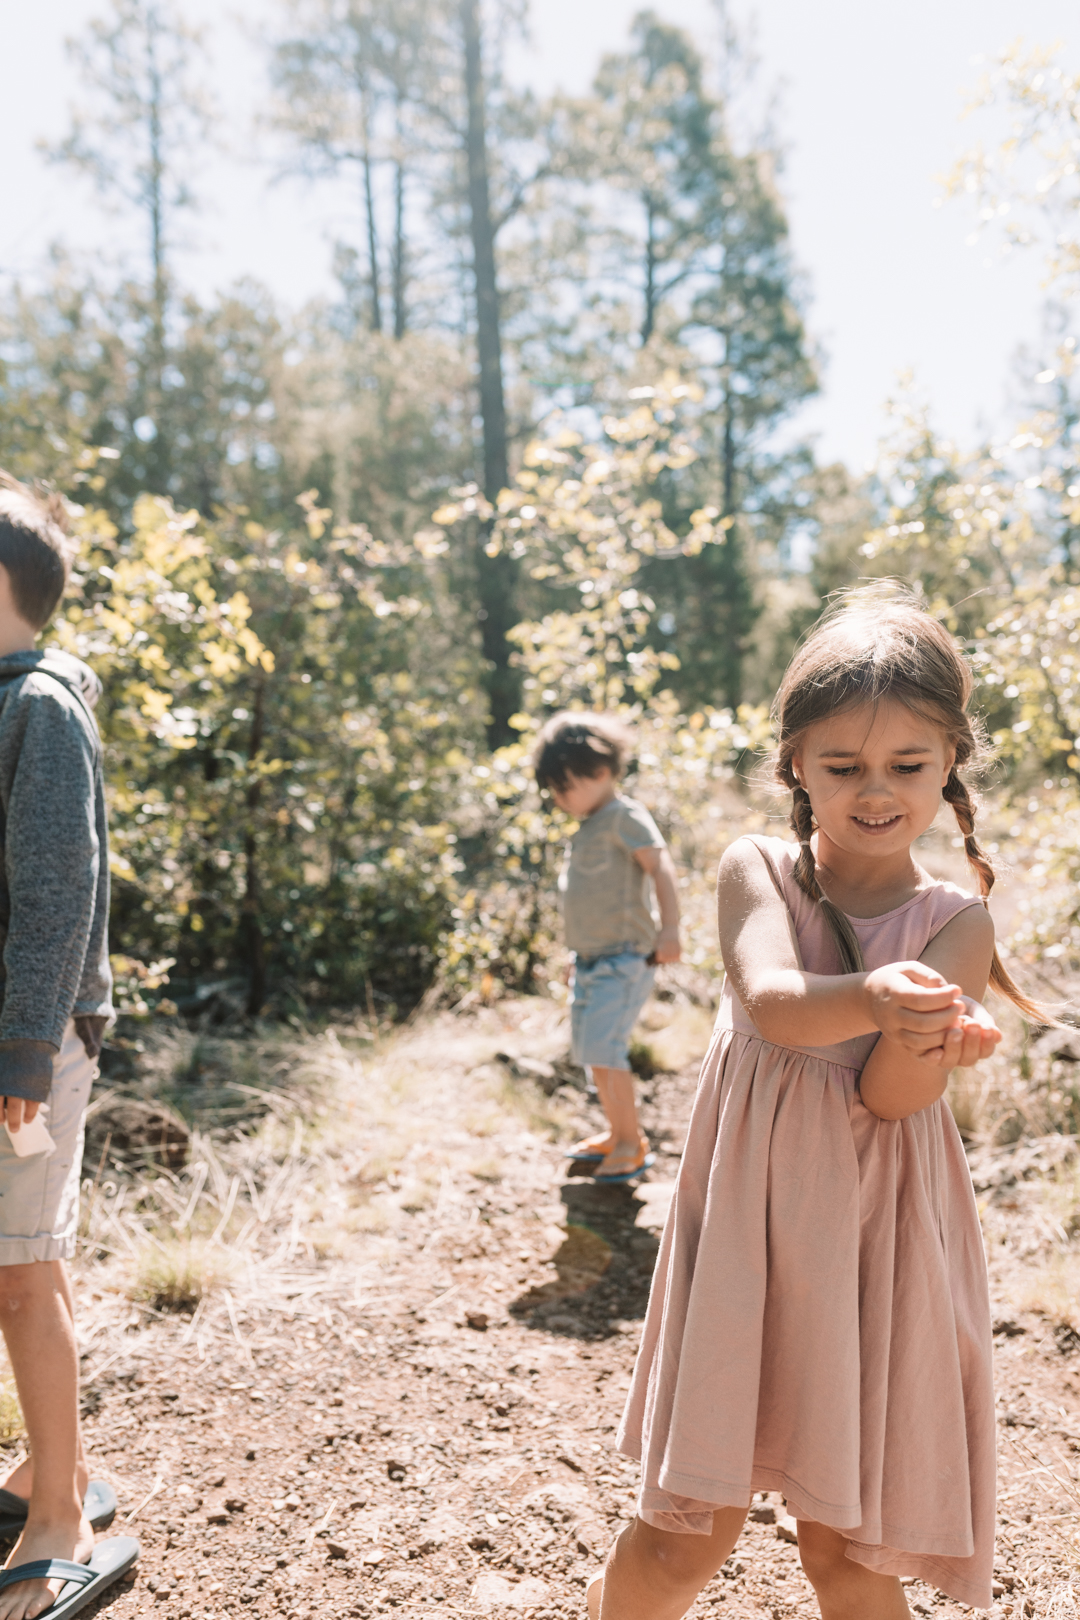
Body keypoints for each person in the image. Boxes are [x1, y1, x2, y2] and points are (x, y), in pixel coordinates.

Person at [589, 586, 1036, 1620]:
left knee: (849, 1557)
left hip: (870, 1247)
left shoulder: (956, 925)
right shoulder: (759, 872)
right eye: (844, 767)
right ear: (795, 763)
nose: (875, 792)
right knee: (677, 1542)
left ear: (950, 763)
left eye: (907, 766)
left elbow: (888, 1097)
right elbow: (774, 1005)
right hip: (754, 1236)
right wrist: (879, 995)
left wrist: (932, 1048)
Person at [0, 475, 137, 1620]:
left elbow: (55, 894)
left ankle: (63, 1515)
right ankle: (45, 1468)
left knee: (21, 1274)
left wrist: (23, 1057)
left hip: (25, 1048)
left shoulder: (39, 704)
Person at [534, 711, 681, 1183]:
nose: (557, 799)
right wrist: (576, 954)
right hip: (594, 960)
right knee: (592, 1051)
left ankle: (631, 1144)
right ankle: (617, 1133)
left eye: (562, 787)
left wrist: (671, 930)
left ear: (598, 772)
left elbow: (661, 869)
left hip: (624, 958)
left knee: (605, 1050)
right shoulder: (590, 825)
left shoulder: (624, 817)